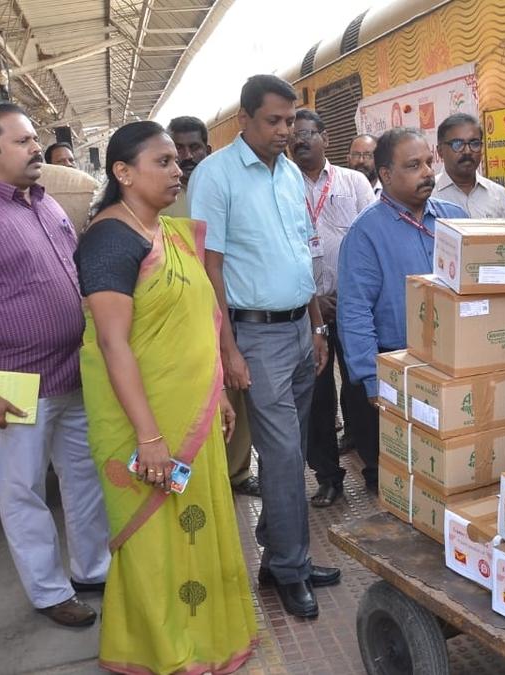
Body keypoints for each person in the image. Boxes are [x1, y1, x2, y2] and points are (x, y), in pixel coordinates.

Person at [75, 121, 257, 673]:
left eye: (178, 161)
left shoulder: (170, 233)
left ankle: (205, 637)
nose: (178, 171)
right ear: (122, 173)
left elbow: (200, 318)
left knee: (197, 521)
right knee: (154, 538)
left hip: (191, 413)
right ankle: (162, 650)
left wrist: (217, 392)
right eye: (163, 161)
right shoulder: (111, 239)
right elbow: (112, 343)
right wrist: (150, 437)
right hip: (143, 423)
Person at [0, 103, 110, 627]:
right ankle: (49, 591)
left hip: (73, 373)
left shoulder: (47, 204)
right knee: (22, 490)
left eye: (35, 139)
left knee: (83, 480)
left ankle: (92, 569)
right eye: (22, 141)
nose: (36, 148)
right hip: (11, 382)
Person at [190, 74, 341, 619]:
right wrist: (227, 349)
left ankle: (278, 552)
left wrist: (317, 328)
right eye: (274, 121)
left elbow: (303, 252)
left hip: (299, 329)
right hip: (254, 334)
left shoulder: (288, 175)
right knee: (280, 457)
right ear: (245, 120)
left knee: (291, 452)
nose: (286, 132)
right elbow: (211, 267)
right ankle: (291, 570)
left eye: (292, 121)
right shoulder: (215, 175)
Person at [337, 127, 469, 492]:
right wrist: (371, 381)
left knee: (443, 469)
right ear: (386, 175)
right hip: (397, 367)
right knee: (394, 477)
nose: (428, 171)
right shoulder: (366, 232)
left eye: (429, 162)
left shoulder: (455, 219)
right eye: (414, 165)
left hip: (453, 365)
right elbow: (355, 312)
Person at [167, 115, 258, 498]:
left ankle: (235, 473)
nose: (187, 157)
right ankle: (195, 471)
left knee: (234, 389)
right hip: (178, 313)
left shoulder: (221, 185)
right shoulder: (164, 193)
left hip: (224, 305)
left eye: (195, 148)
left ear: (208, 147)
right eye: (179, 150)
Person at [289, 109, 374, 507]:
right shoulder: (282, 184)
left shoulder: (353, 181)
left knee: (360, 390)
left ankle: (374, 468)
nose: (299, 140)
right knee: (316, 397)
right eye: (294, 134)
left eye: (307, 133)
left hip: (353, 305)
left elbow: (366, 236)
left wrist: (353, 296)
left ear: (325, 137)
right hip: (308, 311)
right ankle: (327, 476)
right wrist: (313, 302)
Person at [433, 113, 505, 218]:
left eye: (474, 143)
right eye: (457, 144)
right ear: (440, 151)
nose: (467, 151)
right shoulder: (428, 196)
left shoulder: (499, 195)